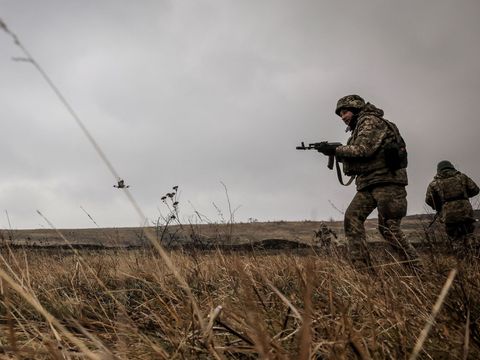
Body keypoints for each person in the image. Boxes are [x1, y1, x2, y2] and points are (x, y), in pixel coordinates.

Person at [333, 94, 420, 268]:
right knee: (352, 218)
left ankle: (416, 270)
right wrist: (335, 153)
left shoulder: (370, 121)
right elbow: (358, 159)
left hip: (387, 181)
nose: (343, 117)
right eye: (340, 114)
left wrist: (336, 149)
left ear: (356, 109)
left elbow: (364, 150)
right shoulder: (358, 128)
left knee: (389, 228)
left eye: (345, 112)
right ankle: (362, 270)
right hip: (369, 183)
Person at [425, 160, 479, 253]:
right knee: (469, 234)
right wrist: (464, 196)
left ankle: (462, 261)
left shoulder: (434, 183)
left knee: (455, 239)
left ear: (439, 170)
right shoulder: (462, 177)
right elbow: (475, 190)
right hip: (466, 212)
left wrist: (439, 205)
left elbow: (429, 200)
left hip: (449, 215)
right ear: (451, 167)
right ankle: (475, 259)